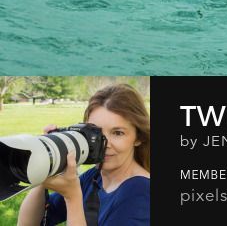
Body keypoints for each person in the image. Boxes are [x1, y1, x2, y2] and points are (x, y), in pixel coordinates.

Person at [17, 84, 150, 226]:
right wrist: (47, 167)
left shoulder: (141, 192)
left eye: (118, 133)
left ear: (138, 137)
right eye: (96, 133)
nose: (104, 144)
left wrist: (72, 197)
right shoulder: (95, 177)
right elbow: (28, 223)